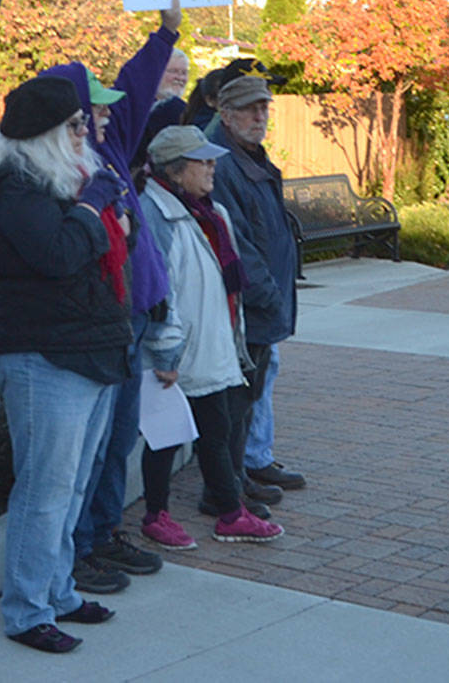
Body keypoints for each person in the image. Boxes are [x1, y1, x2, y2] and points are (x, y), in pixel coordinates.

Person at [0, 75, 132, 655]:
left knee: (72, 486)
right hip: (44, 354)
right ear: (42, 133)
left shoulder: (60, 183)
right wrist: (93, 211)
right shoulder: (15, 187)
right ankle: (26, 609)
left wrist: (98, 211)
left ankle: (57, 590)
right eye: (73, 125)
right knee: (45, 489)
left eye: (83, 123)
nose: (84, 132)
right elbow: (59, 254)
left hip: (84, 349)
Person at [52, 0, 179, 594]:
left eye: (103, 110)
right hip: (103, 325)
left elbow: (134, 89)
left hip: (134, 318)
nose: (106, 116)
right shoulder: (65, 170)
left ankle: (103, 532)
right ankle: (80, 546)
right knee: (96, 445)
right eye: (93, 109)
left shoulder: (108, 150)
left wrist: (166, 33)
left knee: (120, 438)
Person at [136, 125, 284, 547]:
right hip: (175, 354)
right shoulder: (155, 214)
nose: (211, 167)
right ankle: (157, 516)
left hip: (211, 346)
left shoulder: (211, 212)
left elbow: (224, 286)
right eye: (201, 161)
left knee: (216, 432)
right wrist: (166, 354)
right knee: (166, 438)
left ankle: (229, 513)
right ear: (175, 169)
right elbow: (158, 291)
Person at [205, 76, 305, 507]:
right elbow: (237, 244)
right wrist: (267, 295)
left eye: (263, 108)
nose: (259, 116)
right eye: (249, 109)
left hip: (263, 304)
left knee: (249, 397)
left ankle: (244, 472)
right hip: (247, 307)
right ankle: (226, 488)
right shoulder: (224, 165)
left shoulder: (251, 159)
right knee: (236, 402)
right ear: (226, 115)